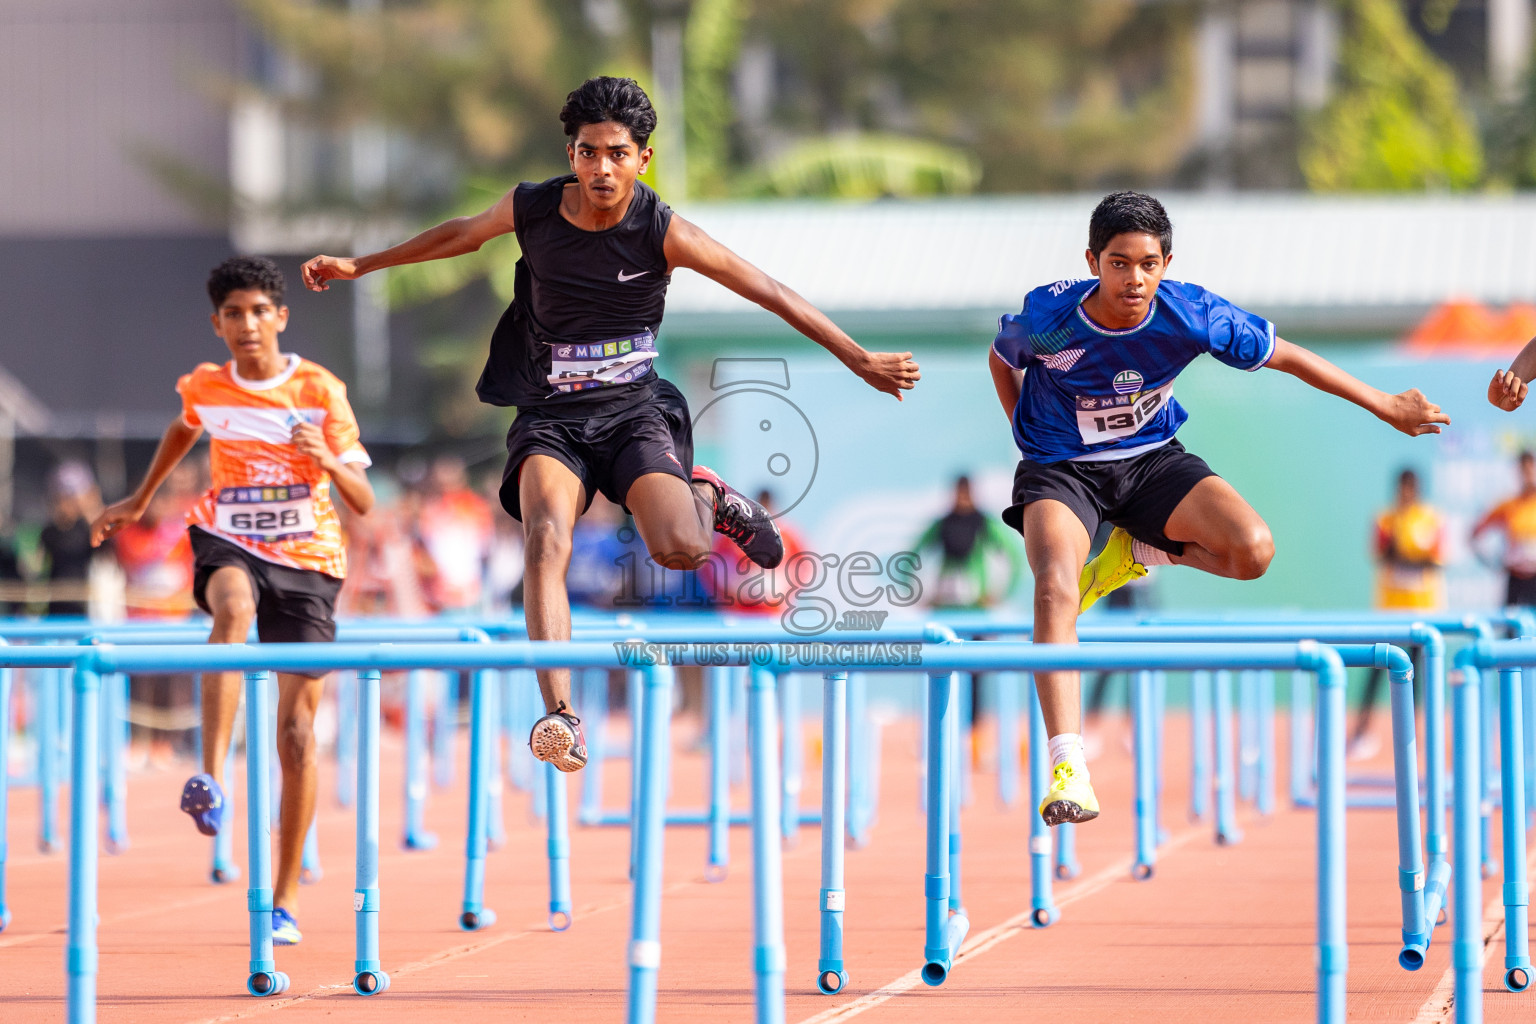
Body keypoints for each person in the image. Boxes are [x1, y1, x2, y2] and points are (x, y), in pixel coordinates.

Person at [300, 76, 919, 773]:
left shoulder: (663, 231)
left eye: (616, 154)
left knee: (681, 550)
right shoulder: (533, 208)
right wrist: (362, 264)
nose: (601, 169)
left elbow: (770, 292)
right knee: (545, 539)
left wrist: (859, 357)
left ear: (642, 160)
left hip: (634, 414)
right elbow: (461, 235)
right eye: (588, 153)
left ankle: (706, 495)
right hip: (552, 419)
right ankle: (560, 714)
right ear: (571, 152)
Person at [989, 191, 1448, 827]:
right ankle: (1069, 764)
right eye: (1119, 263)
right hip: (1062, 469)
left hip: (1150, 459)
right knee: (1053, 589)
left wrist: (1385, 404)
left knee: (1253, 550)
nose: (1134, 278)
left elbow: (1287, 356)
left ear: (1166, 263)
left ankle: (1137, 551)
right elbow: (1001, 357)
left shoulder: (1192, 314)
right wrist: (1027, 433)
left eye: (1148, 264)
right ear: (1093, 261)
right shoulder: (1050, 314)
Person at [91, 256, 375, 946]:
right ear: (216, 325)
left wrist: (327, 458)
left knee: (298, 737)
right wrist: (142, 497)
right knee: (232, 610)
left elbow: (363, 503)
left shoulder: (319, 389)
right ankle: (210, 777)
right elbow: (185, 426)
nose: (247, 325)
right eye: (233, 315)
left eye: (258, 312)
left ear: (279, 317)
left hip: (309, 560)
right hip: (229, 539)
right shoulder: (206, 386)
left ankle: (284, 899)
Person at [1350, 468, 1445, 759]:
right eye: (1403, 486)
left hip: (1421, 608)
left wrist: (1407, 552)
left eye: (1411, 486)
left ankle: (1412, 736)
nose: (1406, 492)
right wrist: (1406, 550)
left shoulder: (1430, 519)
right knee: (1376, 671)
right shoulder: (1385, 519)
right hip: (1389, 608)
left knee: (1416, 675)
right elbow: (1382, 554)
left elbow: (1435, 559)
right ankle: (1361, 731)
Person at [914, 474, 1022, 610]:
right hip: (944, 607)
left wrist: (1002, 595)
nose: (962, 498)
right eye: (959, 493)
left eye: (966, 493)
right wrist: (916, 596)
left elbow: (1015, 556)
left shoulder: (985, 524)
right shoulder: (942, 524)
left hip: (977, 607)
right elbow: (911, 555)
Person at [1471, 450, 1536, 607]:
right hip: (1516, 578)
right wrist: (1493, 562)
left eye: (1530, 469)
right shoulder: (1508, 506)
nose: (1527, 475)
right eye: (1523, 470)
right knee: (1512, 628)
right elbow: (1476, 532)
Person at [40, 461, 103, 617]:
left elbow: (105, 548)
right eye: (62, 497)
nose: (67, 503)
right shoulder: (50, 532)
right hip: (56, 606)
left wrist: (90, 508)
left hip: (89, 608)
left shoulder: (89, 530)